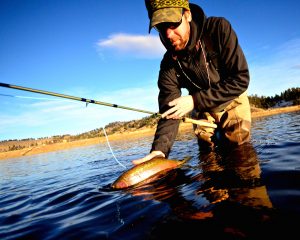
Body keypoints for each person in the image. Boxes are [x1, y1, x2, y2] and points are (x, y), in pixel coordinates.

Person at [133, 0, 251, 165]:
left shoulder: (218, 29)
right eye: (161, 27)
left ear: (187, 15)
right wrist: (159, 151)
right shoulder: (168, 64)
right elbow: (170, 110)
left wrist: (194, 100)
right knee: (208, 160)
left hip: (232, 100)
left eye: (173, 24)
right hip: (203, 110)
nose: (168, 34)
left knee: (241, 155)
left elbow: (241, 79)